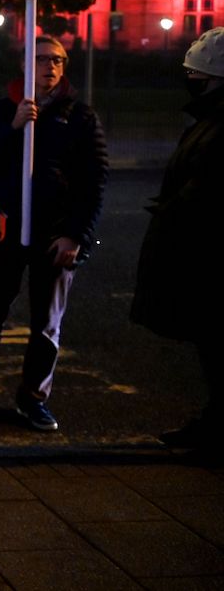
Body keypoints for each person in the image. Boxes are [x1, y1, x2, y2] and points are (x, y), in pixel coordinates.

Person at [0, 35, 108, 434]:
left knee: (46, 325)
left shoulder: (81, 117)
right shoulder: (3, 111)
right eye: (41, 59)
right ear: (23, 65)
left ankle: (33, 399)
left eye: (58, 60)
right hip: (6, 231)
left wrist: (75, 235)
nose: (49, 67)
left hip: (55, 235)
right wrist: (15, 127)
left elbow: (94, 183)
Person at [132, 27, 224, 457]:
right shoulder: (208, 120)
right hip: (198, 251)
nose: (190, 81)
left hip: (208, 256)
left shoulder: (218, 127)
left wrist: (172, 214)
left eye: (197, 75)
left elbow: (204, 191)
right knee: (211, 347)